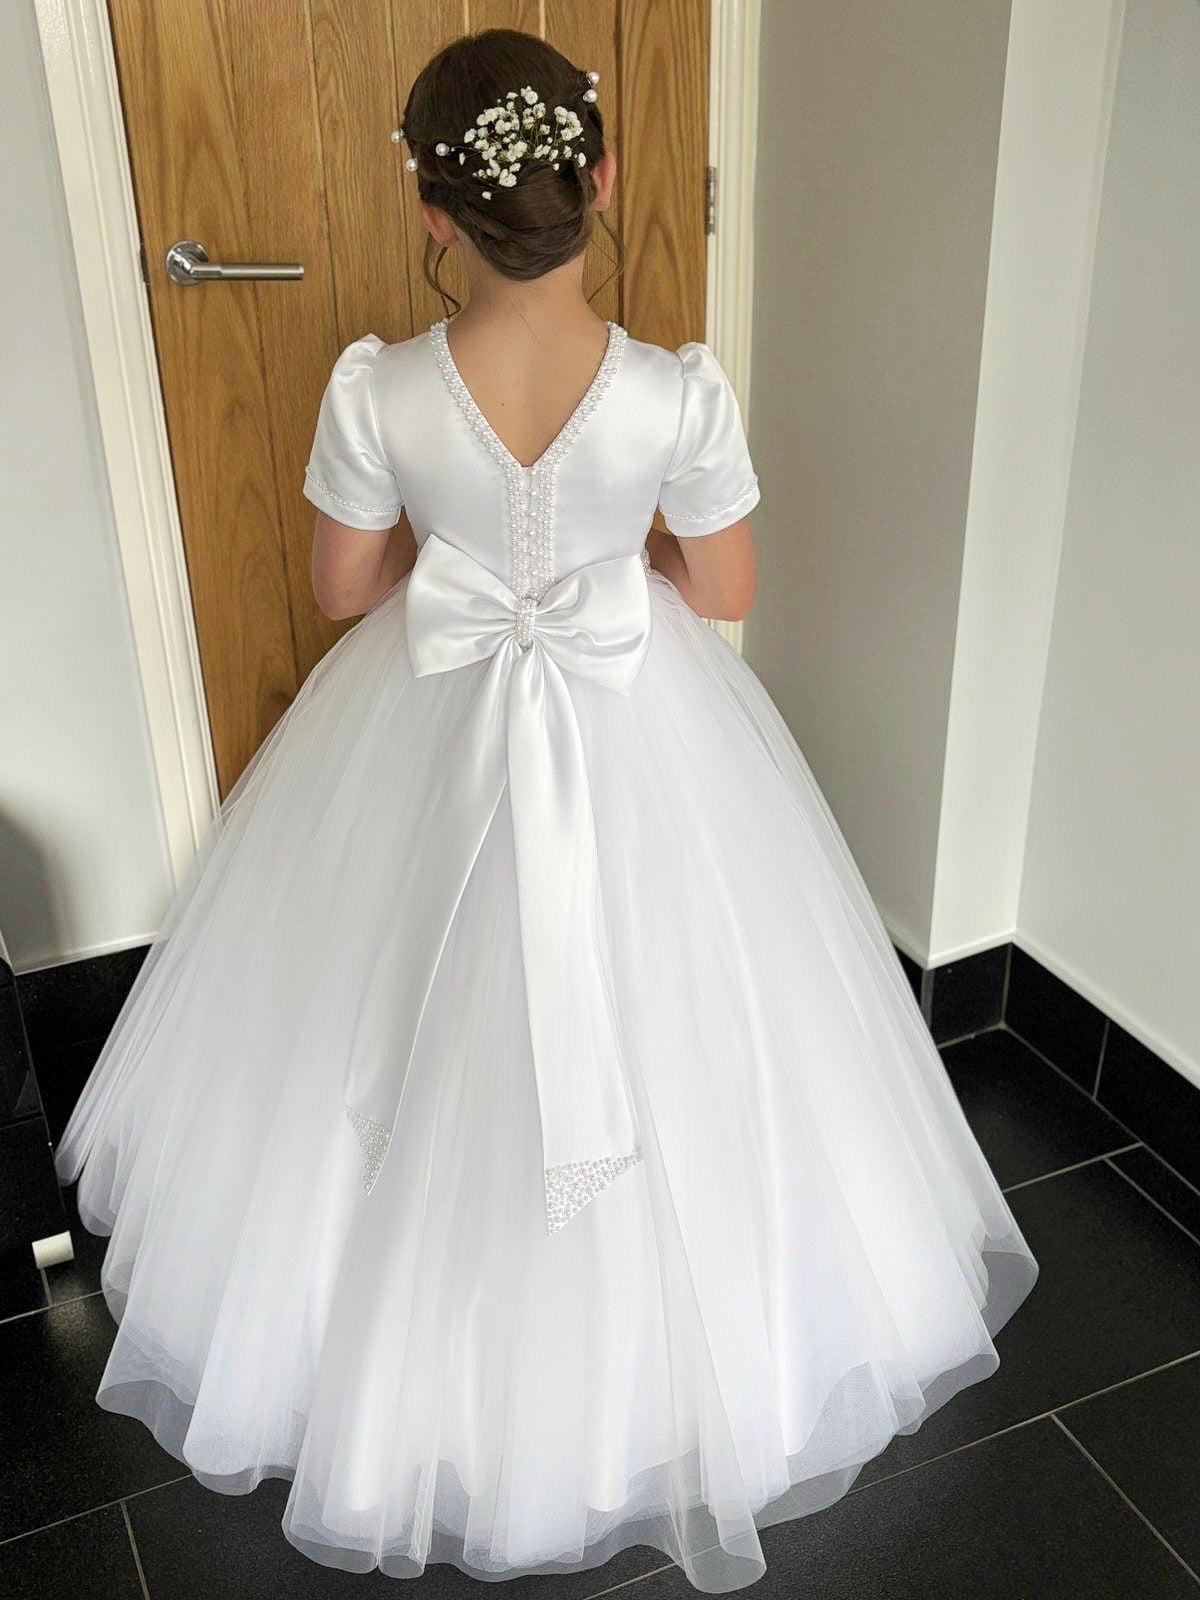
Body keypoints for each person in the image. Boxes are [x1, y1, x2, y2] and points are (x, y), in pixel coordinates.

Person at [53, 26, 1038, 1592]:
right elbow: (724, 587)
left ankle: (389, 1369)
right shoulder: (673, 392)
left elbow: (344, 588)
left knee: (382, 1014)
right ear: (606, 179)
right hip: (642, 720)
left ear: (429, 208)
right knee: (679, 1015)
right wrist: (611, 556)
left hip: (421, 724)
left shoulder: (379, 387)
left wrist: (455, 558)